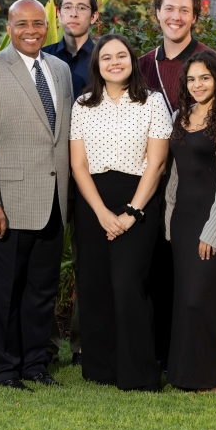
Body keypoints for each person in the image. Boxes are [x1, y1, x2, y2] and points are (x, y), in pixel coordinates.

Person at [0, 0, 73, 391]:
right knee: (3, 293)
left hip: (52, 202)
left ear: (49, 27)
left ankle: (34, 365)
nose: (32, 30)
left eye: (39, 23)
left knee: (41, 292)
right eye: (22, 23)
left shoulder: (59, 70)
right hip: (5, 205)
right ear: (8, 27)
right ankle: (2, 369)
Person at [71, 34, 170, 391]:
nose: (114, 62)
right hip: (93, 201)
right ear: (97, 64)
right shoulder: (82, 104)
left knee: (128, 284)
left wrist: (131, 212)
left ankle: (139, 371)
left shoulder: (153, 102)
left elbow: (156, 164)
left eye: (122, 56)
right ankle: (101, 368)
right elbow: (78, 165)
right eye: (106, 57)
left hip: (138, 200)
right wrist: (100, 212)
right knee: (95, 285)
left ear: (132, 61)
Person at [138, 0, 213, 373]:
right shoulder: (142, 65)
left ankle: (183, 354)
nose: (176, 17)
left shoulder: (208, 61)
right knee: (154, 272)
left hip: (193, 185)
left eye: (184, 10)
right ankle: (155, 352)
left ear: (195, 16)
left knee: (184, 273)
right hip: (150, 182)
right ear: (157, 13)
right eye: (169, 8)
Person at [164, 50, 216, 392]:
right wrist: (169, 218)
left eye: (205, 78)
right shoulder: (179, 116)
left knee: (202, 299)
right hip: (183, 222)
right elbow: (174, 174)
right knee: (184, 299)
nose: (197, 84)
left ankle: (208, 379)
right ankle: (183, 376)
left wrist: (212, 230)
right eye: (191, 79)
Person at [41, 0, 100, 366]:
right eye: (67, 7)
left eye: (82, 8)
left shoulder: (107, 58)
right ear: (58, 15)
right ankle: (43, 343)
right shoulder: (42, 59)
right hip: (48, 174)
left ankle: (83, 344)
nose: (74, 13)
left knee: (87, 262)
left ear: (95, 17)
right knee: (43, 262)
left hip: (92, 175)